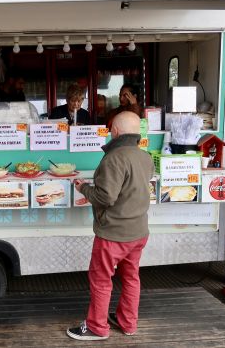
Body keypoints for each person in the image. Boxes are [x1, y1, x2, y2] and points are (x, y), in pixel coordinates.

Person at [67, 111, 154, 341]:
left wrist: (83, 188)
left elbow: (106, 198)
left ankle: (97, 327)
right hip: (138, 232)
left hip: (113, 234)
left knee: (101, 279)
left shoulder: (114, 158)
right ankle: (127, 323)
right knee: (131, 278)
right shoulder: (145, 157)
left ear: (114, 132)